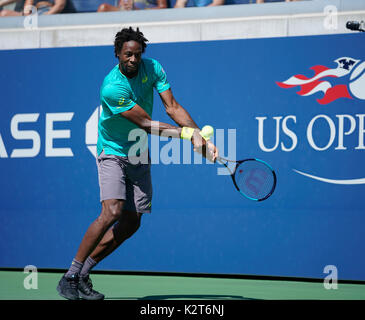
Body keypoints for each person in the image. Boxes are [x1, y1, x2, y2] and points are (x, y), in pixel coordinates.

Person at [57, 26, 219, 300]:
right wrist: (185, 134)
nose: (133, 59)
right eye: (127, 54)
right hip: (113, 151)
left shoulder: (153, 68)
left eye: (137, 54)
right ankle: (69, 276)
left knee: (132, 222)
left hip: (138, 154)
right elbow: (145, 123)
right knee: (112, 212)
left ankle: (83, 273)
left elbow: (173, 107)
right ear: (118, 54)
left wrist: (201, 137)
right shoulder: (112, 88)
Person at [97, 0, 167, 12]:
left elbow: (163, 7)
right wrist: (122, 7)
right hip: (125, 13)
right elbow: (120, 5)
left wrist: (139, 11)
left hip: (144, 14)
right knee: (103, 8)